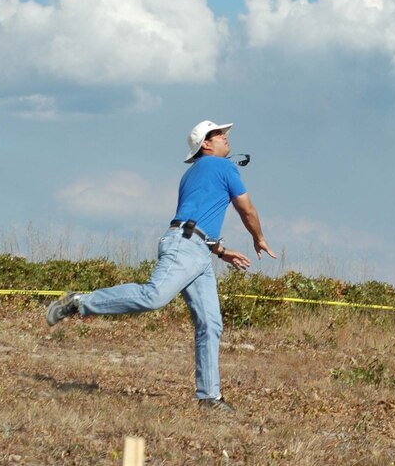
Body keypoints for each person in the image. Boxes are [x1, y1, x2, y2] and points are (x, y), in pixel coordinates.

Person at [46, 119, 276, 412]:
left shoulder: (192, 174)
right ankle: (79, 303)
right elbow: (247, 208)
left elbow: (194, 217)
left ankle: (209, 398)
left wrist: (220, 252)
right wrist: (259, 238)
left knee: (210, 323)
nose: (226, 137)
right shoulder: (223, 167)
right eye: (219, 134)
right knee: (153, 296)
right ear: (206, 144)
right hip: (187, 246)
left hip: (196, 248)